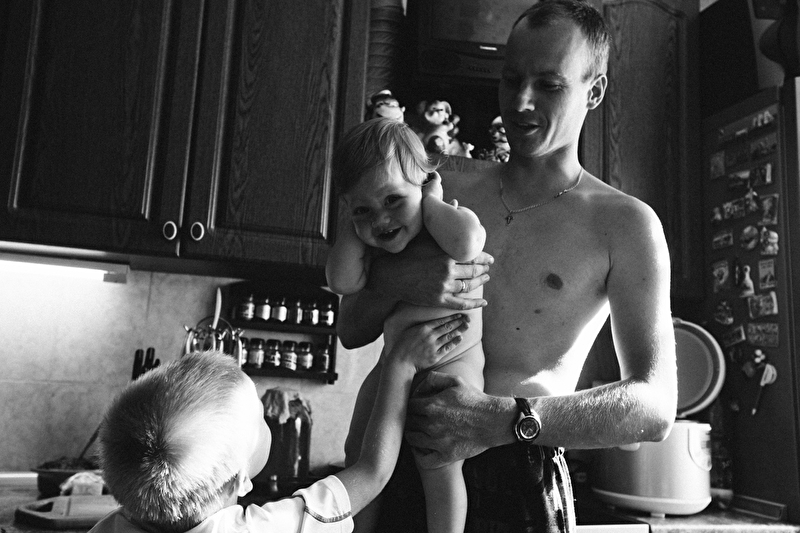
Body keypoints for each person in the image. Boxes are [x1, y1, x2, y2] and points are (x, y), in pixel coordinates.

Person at [335, 1, 678, 532]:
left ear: (594, 91)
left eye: (549, 85)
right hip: (403, 459)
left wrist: (501, 419)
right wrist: (399, 280)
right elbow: (352, 329)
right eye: (512, 79)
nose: (520, 101)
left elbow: (654, 407)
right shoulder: (439, 191)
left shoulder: (626, 225)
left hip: (521, 470)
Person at [90, 317, 468, 533]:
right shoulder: (267, 528)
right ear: (240, 480)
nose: (268, 418)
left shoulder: (108, 528)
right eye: (260, 416)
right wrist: (400, 363)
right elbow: (372, 472)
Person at [326, 117, 486, 533]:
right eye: (363, 209)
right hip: (395, 363)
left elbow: (470, 242)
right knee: (357, 448)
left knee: (440, 462)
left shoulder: (441, 224)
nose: (380, 220)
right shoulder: (376, 247)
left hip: (453, 363)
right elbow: (341, 281)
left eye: (393, 200)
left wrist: (431, 202)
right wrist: (351, 222)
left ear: (425, 182)